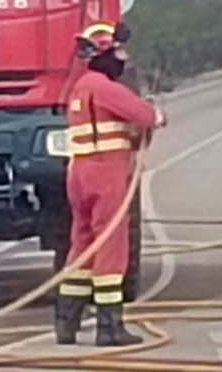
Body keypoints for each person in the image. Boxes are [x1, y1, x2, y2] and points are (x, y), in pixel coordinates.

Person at [56, 21, 165, 347]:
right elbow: (145, 116)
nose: (124, 58)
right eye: (119, 52)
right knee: (111, 247)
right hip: (105, 176)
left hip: (79, 174)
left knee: (82, 245)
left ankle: (66, 322)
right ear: (105, 54)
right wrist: (157, 115)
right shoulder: (105, 88)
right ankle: (109, 327)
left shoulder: (78, 88)